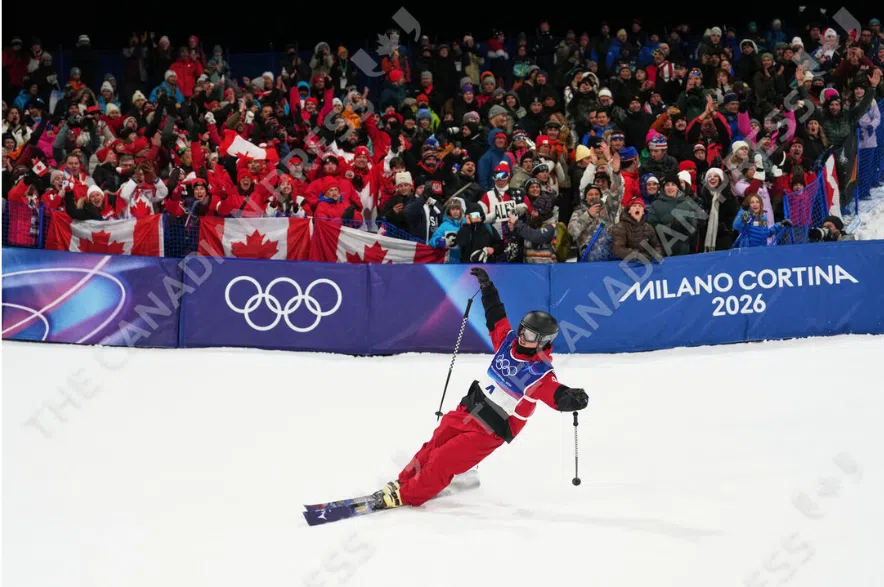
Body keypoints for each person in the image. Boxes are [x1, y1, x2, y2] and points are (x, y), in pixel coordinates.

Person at [371, 267, 589, 509]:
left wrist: (573, 398)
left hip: (490, 429)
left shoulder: (540, 372)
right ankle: (403, 481)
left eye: (528, 334)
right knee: (435, 444)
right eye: (522, 329)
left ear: (543, 341)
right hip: (470, 408)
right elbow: (496, 316)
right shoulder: (508, 343)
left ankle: (408, 495)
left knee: (443, 460)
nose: (521, 336)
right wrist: (488, 289)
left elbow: (556, 395)